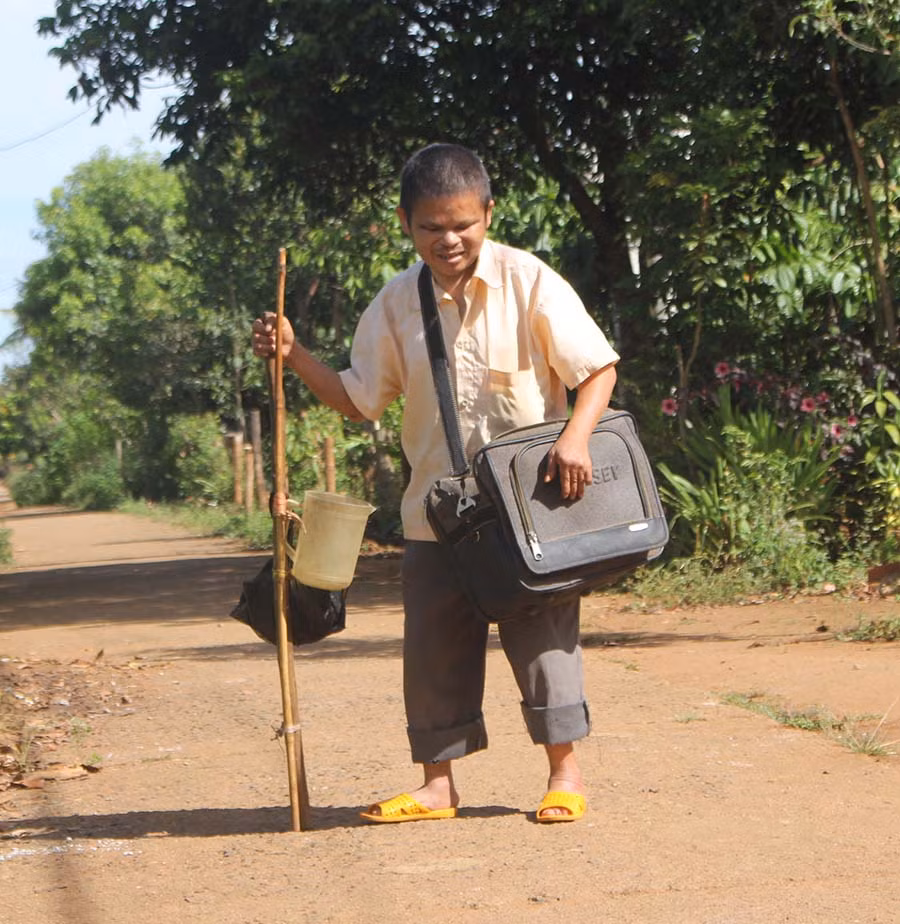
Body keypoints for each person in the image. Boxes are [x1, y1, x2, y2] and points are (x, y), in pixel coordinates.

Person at [252, 143, 619, 823]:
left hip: (528, 507)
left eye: (462, 224)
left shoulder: (530, 281)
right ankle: (437, 786)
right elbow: (358, 398)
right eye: (430, 228)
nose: (448, 240)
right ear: (405, 224)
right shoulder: (395, 305)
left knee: (544, 637)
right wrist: (294, 355)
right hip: (436, 514)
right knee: (432, 647)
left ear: (488, 213)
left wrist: (575, 437)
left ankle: (564, 775)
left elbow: (596, 370)